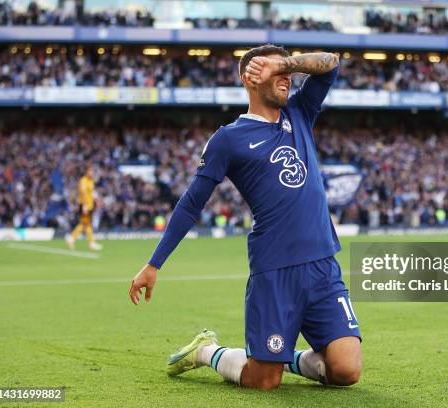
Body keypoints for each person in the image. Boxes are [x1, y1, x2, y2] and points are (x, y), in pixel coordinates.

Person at [128, 44, 362, 389]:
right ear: (249, 79)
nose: (286, 77)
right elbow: (192, 204)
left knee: (346, 371)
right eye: (274, 71)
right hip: (274, 269)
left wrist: (283, 63)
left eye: (288, 72)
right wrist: (153, 264)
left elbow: (331, 65)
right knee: (263, 381)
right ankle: (207, 350)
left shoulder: (299, 112)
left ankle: (283, 358)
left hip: (323, 265)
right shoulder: (228, 139)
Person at [66, 167, 102, 250]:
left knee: (86, 224)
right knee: (85, 223)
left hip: (90, 205)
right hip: (84, 205)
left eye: (92, 172)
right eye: (90, 171)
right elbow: (83, 194)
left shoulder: (91, 181)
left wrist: (97, 201)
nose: (92, 173)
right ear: (86, 172)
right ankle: (75, 239)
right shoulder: (83, 181)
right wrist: (85, 205)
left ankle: (87, 241)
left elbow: (92, 193)